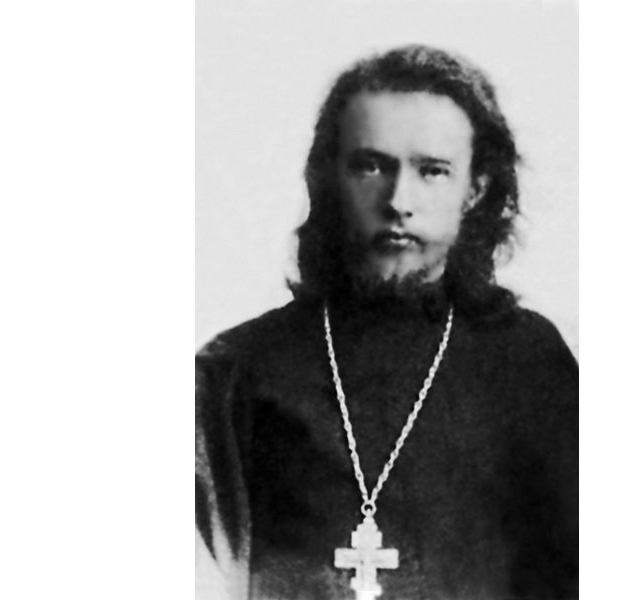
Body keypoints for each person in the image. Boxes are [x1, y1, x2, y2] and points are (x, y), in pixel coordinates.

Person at [196, 45, 578, 600]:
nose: (399, 200)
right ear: (331, 177)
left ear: (475, 188)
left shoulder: (532, 364)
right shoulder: (237, 372)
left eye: (433, 171)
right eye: (371, 166)